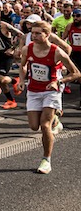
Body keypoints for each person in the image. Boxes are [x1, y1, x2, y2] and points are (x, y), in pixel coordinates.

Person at [17, 21, 80, 174]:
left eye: (38, 33)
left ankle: (46, 160)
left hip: (51, 91)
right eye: (33, 32)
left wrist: (58, 82)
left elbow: (76, 73)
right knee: (34, 126)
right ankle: (56, 120)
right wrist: (21, 80)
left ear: (47, 34)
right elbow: (23, 65)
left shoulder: (57, 52)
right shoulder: (28, 48)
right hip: (33, 90)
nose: (34, 35)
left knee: (45, 126)